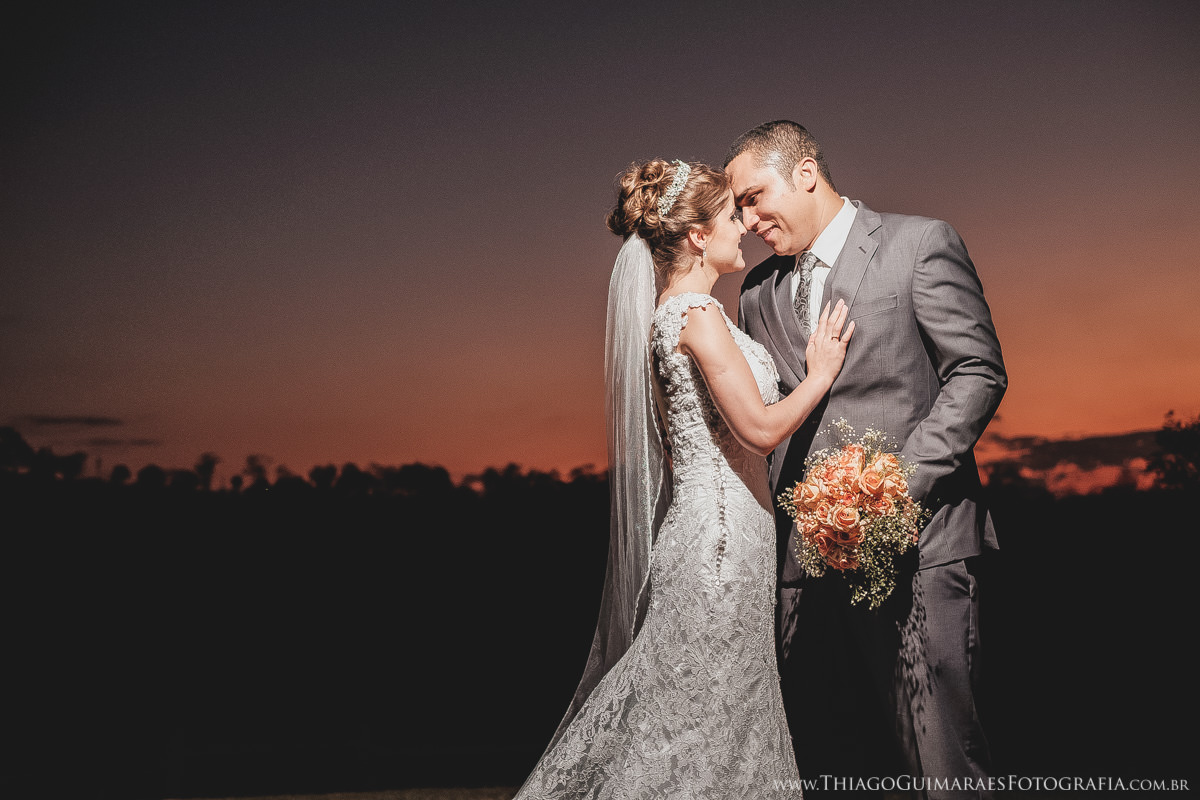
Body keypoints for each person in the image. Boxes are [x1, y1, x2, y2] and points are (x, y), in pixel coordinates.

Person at [512, 158, 853, 797]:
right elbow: (758, 430)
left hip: (720, 537)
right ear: (697, 236)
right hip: (719, 546)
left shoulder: (676, 315)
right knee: (699, 716)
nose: (744, 229)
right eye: (730, 216)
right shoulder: (695, 315)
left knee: (711, 715)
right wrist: (820, 374)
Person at [727, 120, 1007, 799]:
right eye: (738, 207)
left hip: (919, 546)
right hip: (804, 570)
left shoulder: (917, 243)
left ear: (805, 172)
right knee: (830, 766)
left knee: (940, 761)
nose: (748, 219)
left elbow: (977, 372)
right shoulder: (757, 292)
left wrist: (897, 487)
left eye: (755, 196)